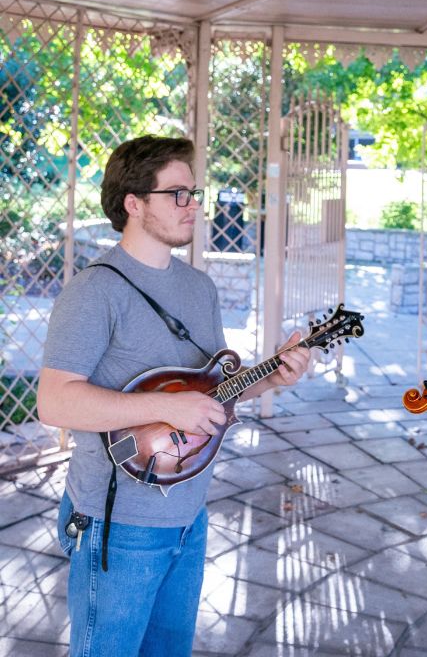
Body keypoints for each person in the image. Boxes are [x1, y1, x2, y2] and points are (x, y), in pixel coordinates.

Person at [38, 136, 310, 657]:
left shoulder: (198, 288)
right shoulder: (93, 292)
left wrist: (274, 376)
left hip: (189, 511)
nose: (193, 205)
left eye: (194, 192)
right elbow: (56, 402)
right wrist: (164, 406)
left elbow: (211, 393)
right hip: (119, 522)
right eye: (177, 194)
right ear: (133, 204)